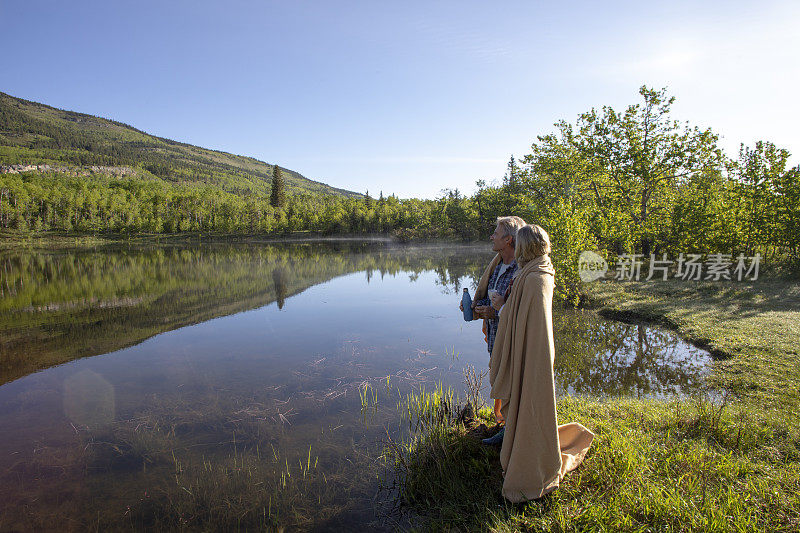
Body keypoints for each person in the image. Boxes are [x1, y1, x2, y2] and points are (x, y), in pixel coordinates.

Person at [488, 224, 594, 502]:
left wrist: (500, 306)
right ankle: (517, 442)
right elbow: (521, 314)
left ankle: (530, 464)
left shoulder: (535, 277)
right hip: (531, 347)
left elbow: (521, 316)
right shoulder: (537, 270)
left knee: (531, 400)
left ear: (524, 246)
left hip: (533, 352)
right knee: (525, 402)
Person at [461, 216, 525, 427]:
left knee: (512, 381)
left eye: (496, 233)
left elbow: (521, 311)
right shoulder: (498, 265)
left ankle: (511, 429)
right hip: (496, 336)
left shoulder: (520, 270)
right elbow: (493, 299)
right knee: (499, 378)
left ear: (508, 240)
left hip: (510, 340)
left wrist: (493, 312)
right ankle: (503, 424)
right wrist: (477, 308)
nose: (492, 237)